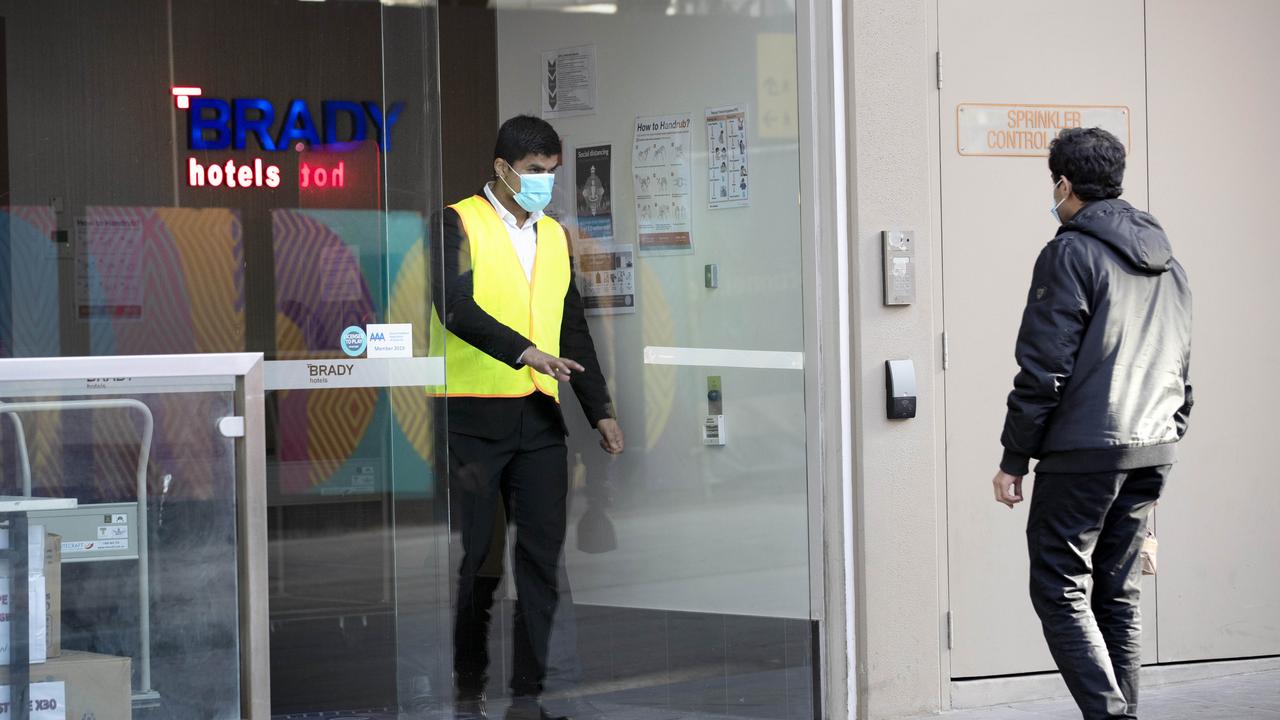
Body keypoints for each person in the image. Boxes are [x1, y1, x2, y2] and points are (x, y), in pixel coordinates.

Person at [991, 127, 1192, 720]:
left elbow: (1044, 367)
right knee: (1116, 591)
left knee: (1058, 586)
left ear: (1063, 183)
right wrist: (1169, 431)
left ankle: (1112, 717)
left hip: (1085, 451)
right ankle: (1122, 711)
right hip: (1151, 447)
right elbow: (1181, 362)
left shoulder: (1069, 252)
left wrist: (1012, 459)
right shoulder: (1168, 262)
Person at [430, 115, 625, 720]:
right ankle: (469, 687)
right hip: (471, 417)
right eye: (535, 172)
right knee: (480, 564)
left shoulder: (556, 236)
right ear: (502, 169)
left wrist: (601, 411)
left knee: (542, 561)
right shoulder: (457, 222)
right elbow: (454, 307)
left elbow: (572, 328)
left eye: (552, 173)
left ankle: (533, 695)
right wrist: (523, 351)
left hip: (539, 418)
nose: (545, 183)